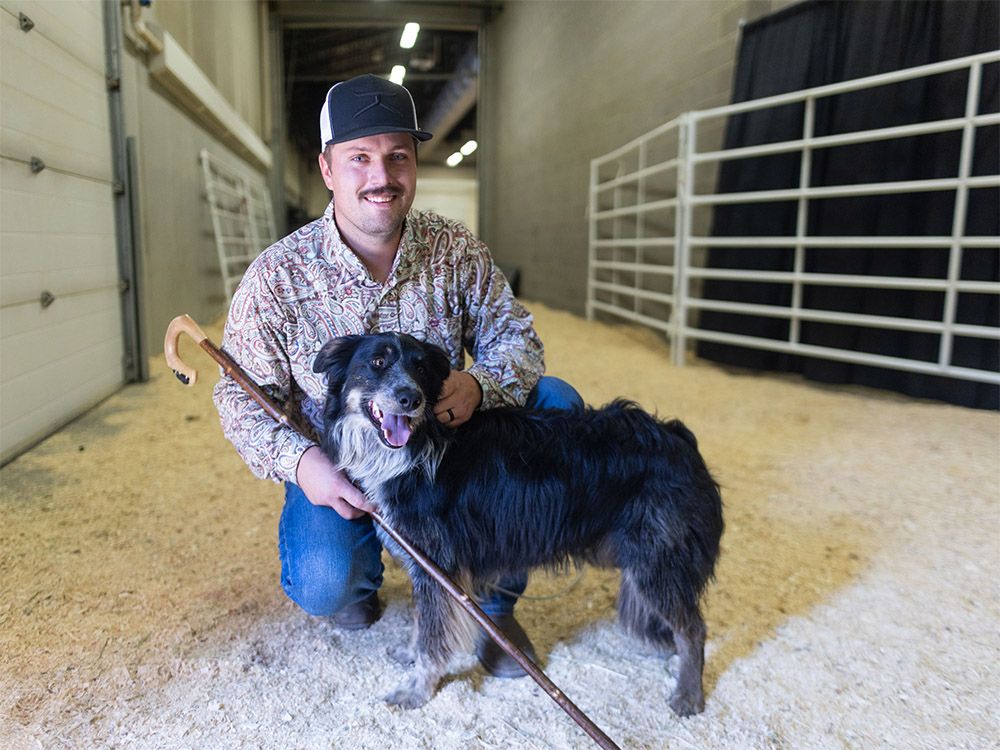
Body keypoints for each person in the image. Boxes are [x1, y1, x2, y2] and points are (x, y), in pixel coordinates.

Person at [213, 73, 582, 679]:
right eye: (359, 158)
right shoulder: (276, 277)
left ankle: (491, 602)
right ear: (328, 170)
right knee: (323, 582)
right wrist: (305, 466)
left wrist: (479, 385)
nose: (380, 177)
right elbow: (239, 397)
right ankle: (359, 581)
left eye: (397, 157)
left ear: (414, 165)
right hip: (346, 462)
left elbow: (516, 338)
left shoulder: (456, 249)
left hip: (448, 453)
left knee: (558, 405)